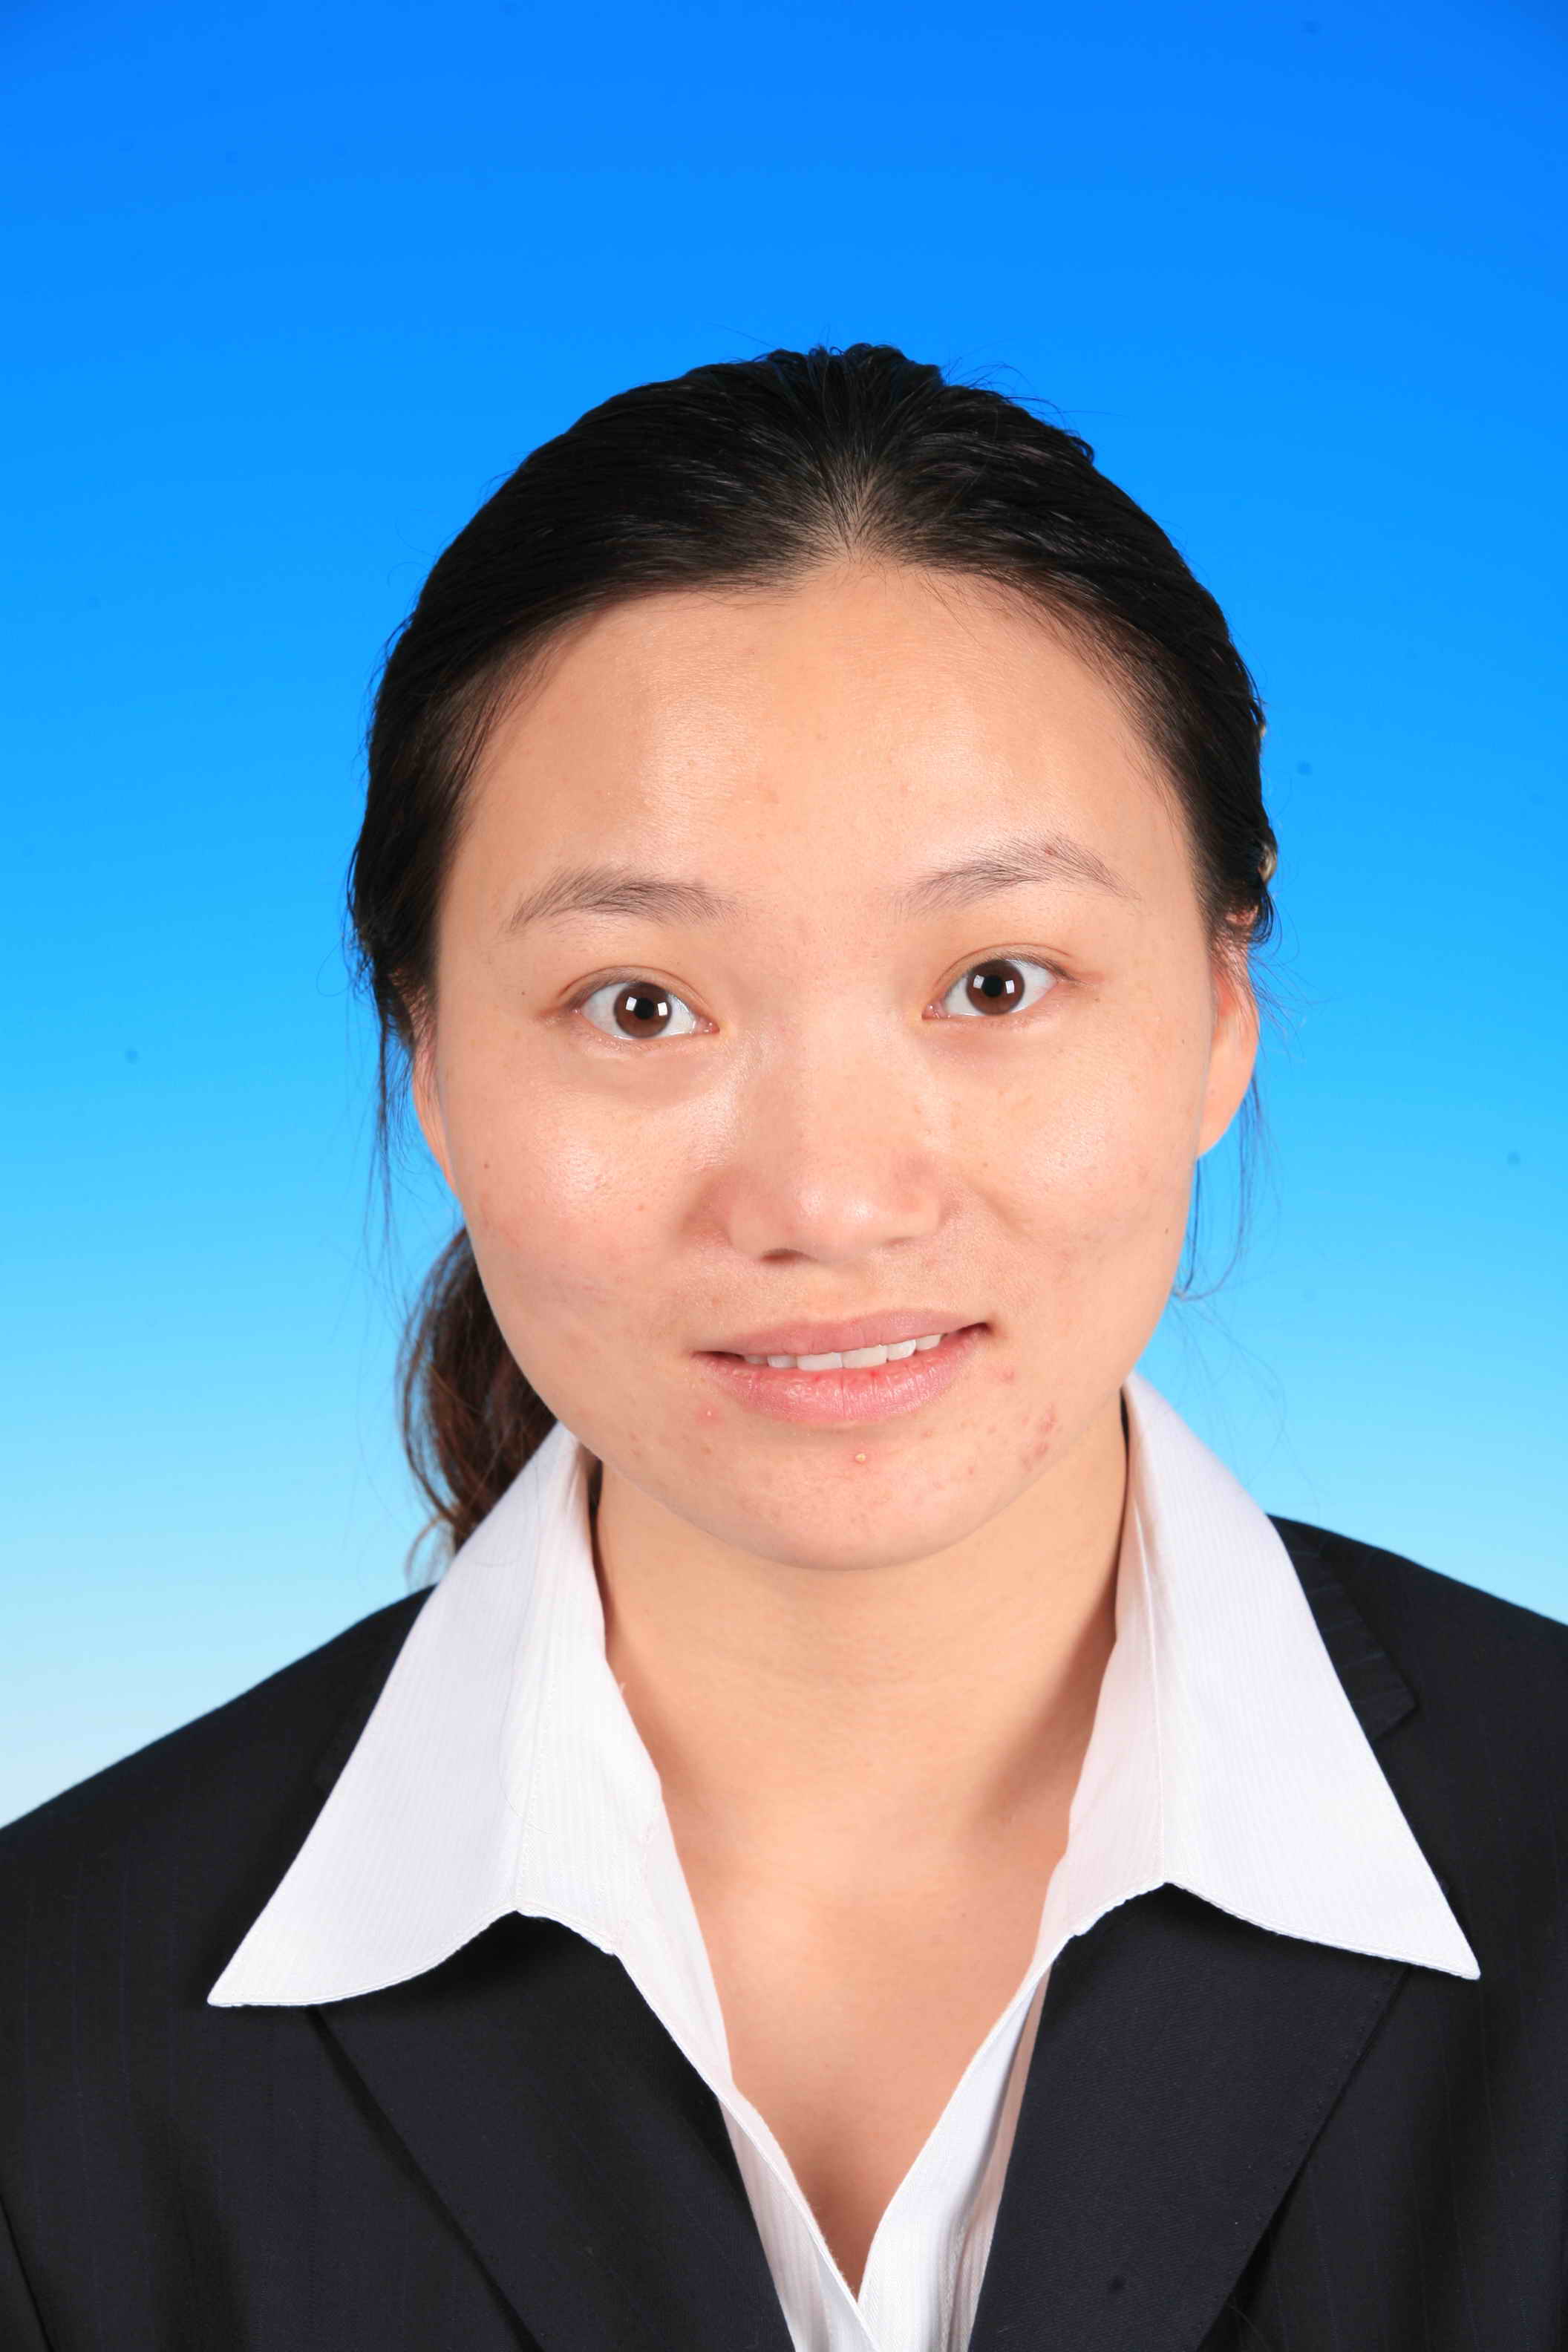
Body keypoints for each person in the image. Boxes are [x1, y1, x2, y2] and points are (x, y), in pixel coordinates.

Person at [2, 345, 1564, 2352]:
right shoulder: (47, 2048)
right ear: (430, 1061)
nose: (829, 1198)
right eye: (641, 1005)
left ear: (1220, 1012)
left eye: (996, 982)